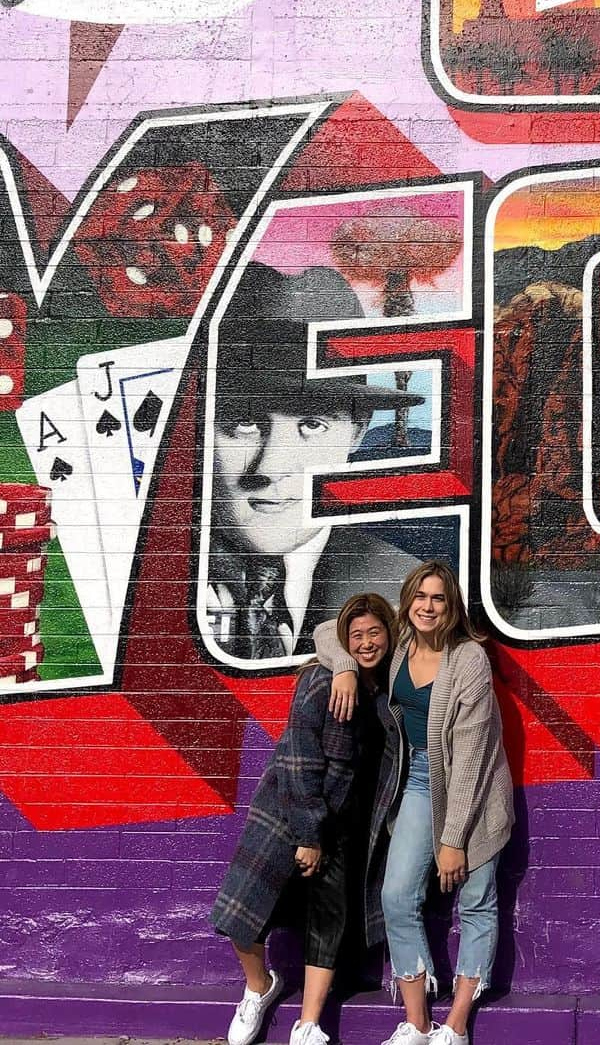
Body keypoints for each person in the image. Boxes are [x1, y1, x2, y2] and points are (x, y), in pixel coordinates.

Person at [314, 560, 514, 1045]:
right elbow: (327, 630)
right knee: (396, 896)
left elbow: (469, 761)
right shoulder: (399, 646)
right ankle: (418, 1022)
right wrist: (343, 669)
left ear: (452, 607)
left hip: (477, 792)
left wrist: (453, 842)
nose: (427, 606)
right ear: (408, 601)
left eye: (438, 598)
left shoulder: (469, 660)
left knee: (476, 901)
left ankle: (457, 1024)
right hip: (420, 783)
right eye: (420, 596)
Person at [203, 260, 426, 663]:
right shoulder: (136, 581)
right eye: (244, 423)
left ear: (357, 431)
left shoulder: (410, 594)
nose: (271, 467)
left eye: (312, 424)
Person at [211, 591, 402, 1045]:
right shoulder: (321, 681)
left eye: (375, 632)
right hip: (290, 811)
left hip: (348, 822)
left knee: (328, 917)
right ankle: (260, 986)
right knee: (243, 910)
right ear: (344, 640)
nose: (367, 642)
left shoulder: (388, 686)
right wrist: (309, 834)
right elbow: (300, 761)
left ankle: (309, 1022)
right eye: (356, 635)